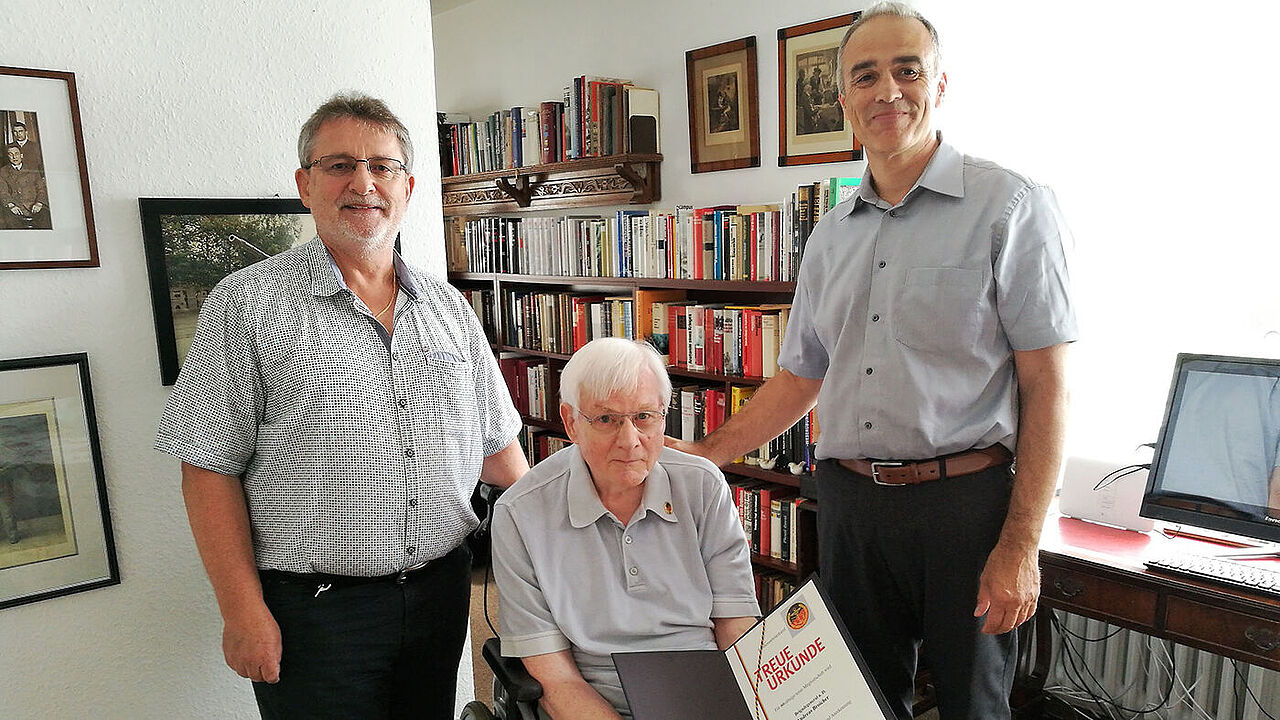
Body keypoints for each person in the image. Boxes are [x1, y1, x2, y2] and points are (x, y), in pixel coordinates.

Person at [668, 4, 1076, 719]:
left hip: (965, 509)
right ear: (844, 99)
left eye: (907, 70)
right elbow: (801, 377)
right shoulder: (829, 236)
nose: (887, 90)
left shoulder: (1011, 206)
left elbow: (1048, 387)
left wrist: (1021, 545)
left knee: (974, 706)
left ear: (939, 85)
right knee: (855, 702)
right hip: (852, 507)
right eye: (866, 76)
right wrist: (707, 453)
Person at [155, 92, 528, 720]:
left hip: (440, 597)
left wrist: (584, 522)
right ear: (306, 185)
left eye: (382, 166)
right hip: (314, 615)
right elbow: (207, 468)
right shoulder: (246, 304)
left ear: (408, 187)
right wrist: (241, 610)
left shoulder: (449, 309)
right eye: (339, 166)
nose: (363, 183)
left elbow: (500, 455)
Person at [493, 338, 759, 719]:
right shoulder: (520, 514)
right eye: (606, 420)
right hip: (595, 701)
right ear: (571, 422)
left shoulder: (703, 486)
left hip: (704, 696)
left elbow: (736, 628)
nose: (630, 441)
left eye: (644, 417)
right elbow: (555, 679)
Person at [1, 145, 50, 229]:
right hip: (15, 206)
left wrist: (39, 203)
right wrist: (11, 205)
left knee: (46, 219)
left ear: (21, 155)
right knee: (9, 222)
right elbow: (3, 192)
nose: (14, 157)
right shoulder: (3, 171)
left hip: (34, 205)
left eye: (16, 154)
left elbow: (41, 189)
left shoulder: (32, 169)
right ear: (8, 156)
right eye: (10, 154)